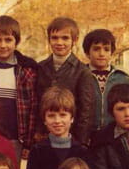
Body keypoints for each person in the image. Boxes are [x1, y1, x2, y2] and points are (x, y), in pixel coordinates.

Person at [0, 15, 38, 161]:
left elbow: (32, 107)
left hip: (16, 137)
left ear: (16, 41)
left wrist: (28, 142)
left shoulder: (27, 69)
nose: (3, 45)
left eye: (8, 40)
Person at [35, 17, 96, 145]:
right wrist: (38, 132)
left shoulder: (82, 72)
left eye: (65, 38)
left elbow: (86, 111)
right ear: (49, 39)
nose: (59, 42)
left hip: (71, 139)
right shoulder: (40, 68)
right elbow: (36, 103)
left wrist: (79, 142)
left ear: (75, 40)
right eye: (55, 38)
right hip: (44, 139)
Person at [24, 87, 87, 169]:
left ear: (72, 118)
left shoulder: (82, 152)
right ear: (44, 120)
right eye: (51, 116)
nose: (57, 121)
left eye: (63, 115)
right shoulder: (38, 150)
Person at [82, 29, 129, 132]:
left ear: (112, 53)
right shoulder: (80, 76)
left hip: (114, 133)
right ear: (87, 53)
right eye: (96, 49)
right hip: (86, 133)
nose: (101, 54)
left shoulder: (122, 79)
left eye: (106, 49)